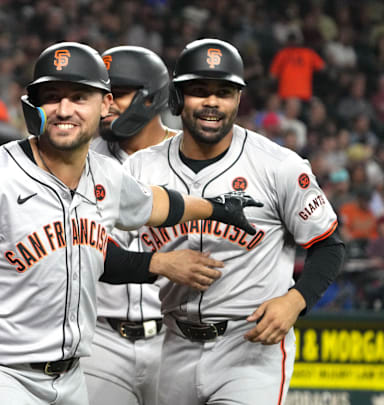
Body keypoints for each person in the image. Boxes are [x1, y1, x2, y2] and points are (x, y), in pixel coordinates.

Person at [0, 41, 260, 405]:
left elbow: (158, 205)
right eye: (51, 98)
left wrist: (213, 207)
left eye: (79, 97)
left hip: (70, 379)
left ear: (105, 105)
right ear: (32, 107)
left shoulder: (106, 176)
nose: (64, 109)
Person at [125, 38, 345, 405]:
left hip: (250, 346)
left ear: (238, 99)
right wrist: (159, 263)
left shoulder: (278, 165)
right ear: (178, 97)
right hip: (172, 344)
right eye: (199, 91)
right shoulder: (139, 168)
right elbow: (100, 248)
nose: (212, 102)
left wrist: (296, 300)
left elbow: (329, 244)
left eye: (224, 92)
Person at [83, 46, 224, 405]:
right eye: (103, 94)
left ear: (151, 97)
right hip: (100, 339)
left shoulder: (193, 160)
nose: (108, 104)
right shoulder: (79, 157)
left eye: (120, 94)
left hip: (176, 338)